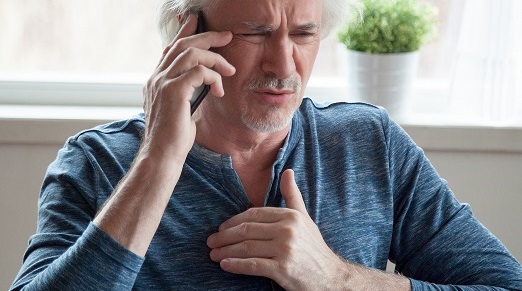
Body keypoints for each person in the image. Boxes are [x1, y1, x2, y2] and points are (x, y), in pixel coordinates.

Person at [10, 0, 522, 290]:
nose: (284, 66)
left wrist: (338, 280)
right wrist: (159, 161)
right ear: (186, 36)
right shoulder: (97, 164)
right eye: (255, 33)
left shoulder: (370, 144)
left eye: (303, 34)